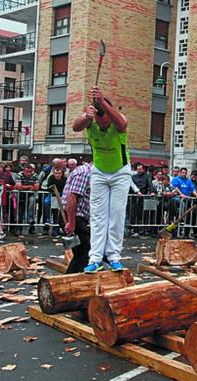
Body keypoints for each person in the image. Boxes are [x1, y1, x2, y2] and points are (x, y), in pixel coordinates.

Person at [72, 85, 131, 273]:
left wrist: (103, 100)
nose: (103, 124)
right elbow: (75, 126)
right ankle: (95, 258)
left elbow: (122, 124)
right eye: (99, 120)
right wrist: (86, 115)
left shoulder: (117, 121)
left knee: (116, 215)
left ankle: (114, 256)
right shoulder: (91, 122)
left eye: (105, 120)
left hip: (120, 172)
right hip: (98, 171)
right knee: (97, 217)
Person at [62, 162, 92, 273]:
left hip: (76, 216)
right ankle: (69, 281)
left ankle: (72, 279)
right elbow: (72, 197)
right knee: (85, 251)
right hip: (75, 216)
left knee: (83, 251)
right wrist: (71, 222)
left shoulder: (84, 172)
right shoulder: (85, 173)